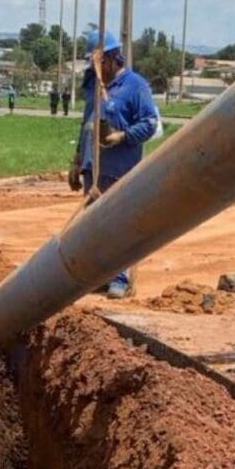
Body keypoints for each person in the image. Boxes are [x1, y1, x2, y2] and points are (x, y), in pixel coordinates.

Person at [68, 30, 160, 297]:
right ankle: (99, 276)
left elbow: (150, 124)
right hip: (93, 169)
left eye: (96, 61)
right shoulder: (94, 85)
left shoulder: (135, 86)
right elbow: (86, 123)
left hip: (120, 170)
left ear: (110, 57)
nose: (92, 67)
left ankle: (119, 279)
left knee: (118, 225)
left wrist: (122, 136)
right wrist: (77, 160)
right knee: (93, 227)